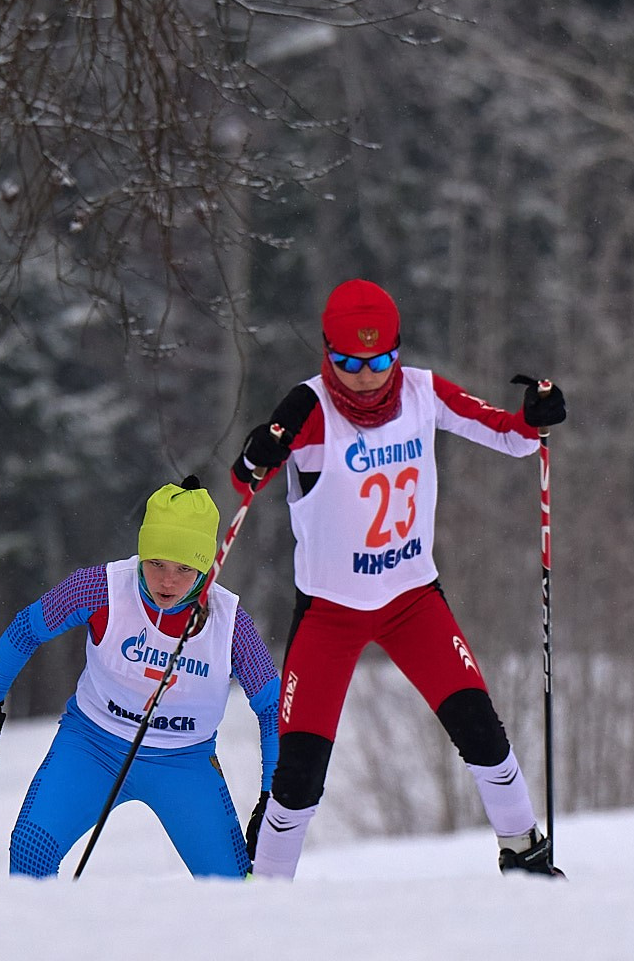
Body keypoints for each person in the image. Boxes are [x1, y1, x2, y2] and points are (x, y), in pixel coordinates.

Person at [226, 278, 566, 878]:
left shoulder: (422, 391)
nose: (365, 375)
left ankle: (525, 853)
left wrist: (536, 416)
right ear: (327, 354)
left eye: (380, 359)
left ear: (398, 350)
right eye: (349, 362)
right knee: (300, 775)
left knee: (481, 730)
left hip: (413, 602)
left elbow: (513, 437)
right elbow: (246, 477)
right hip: (330, 613)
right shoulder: (307, 407)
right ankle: (266, 896)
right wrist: (255, 458)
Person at [0, 478, 281, 877]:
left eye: (183, 569)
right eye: (156, 563)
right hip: (92, 746)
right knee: (29, 851)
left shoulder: (230, 624)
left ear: (205, 567)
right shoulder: (100, 589)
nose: (167, 582)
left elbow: (273, 709)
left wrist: (273, 798)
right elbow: (26, 630)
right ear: (141, 553)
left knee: (236, 886)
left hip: (183, 762)